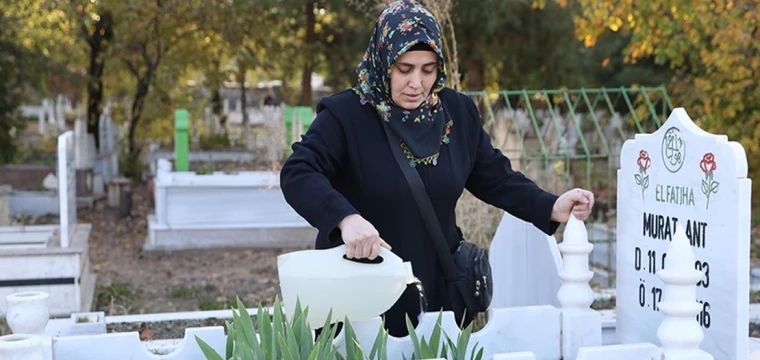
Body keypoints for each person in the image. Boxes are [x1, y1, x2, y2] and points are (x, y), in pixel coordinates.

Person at [279, 0, 594, 337]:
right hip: (361, 297)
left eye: (428, 69)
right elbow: (299, 172)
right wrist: (345, 219)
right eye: (404, 69)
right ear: (383, 60)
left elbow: (494, 177)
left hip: (436, 297)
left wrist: (550, 205)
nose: (416, 82)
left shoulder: (455, 112)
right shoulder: (347, 116)